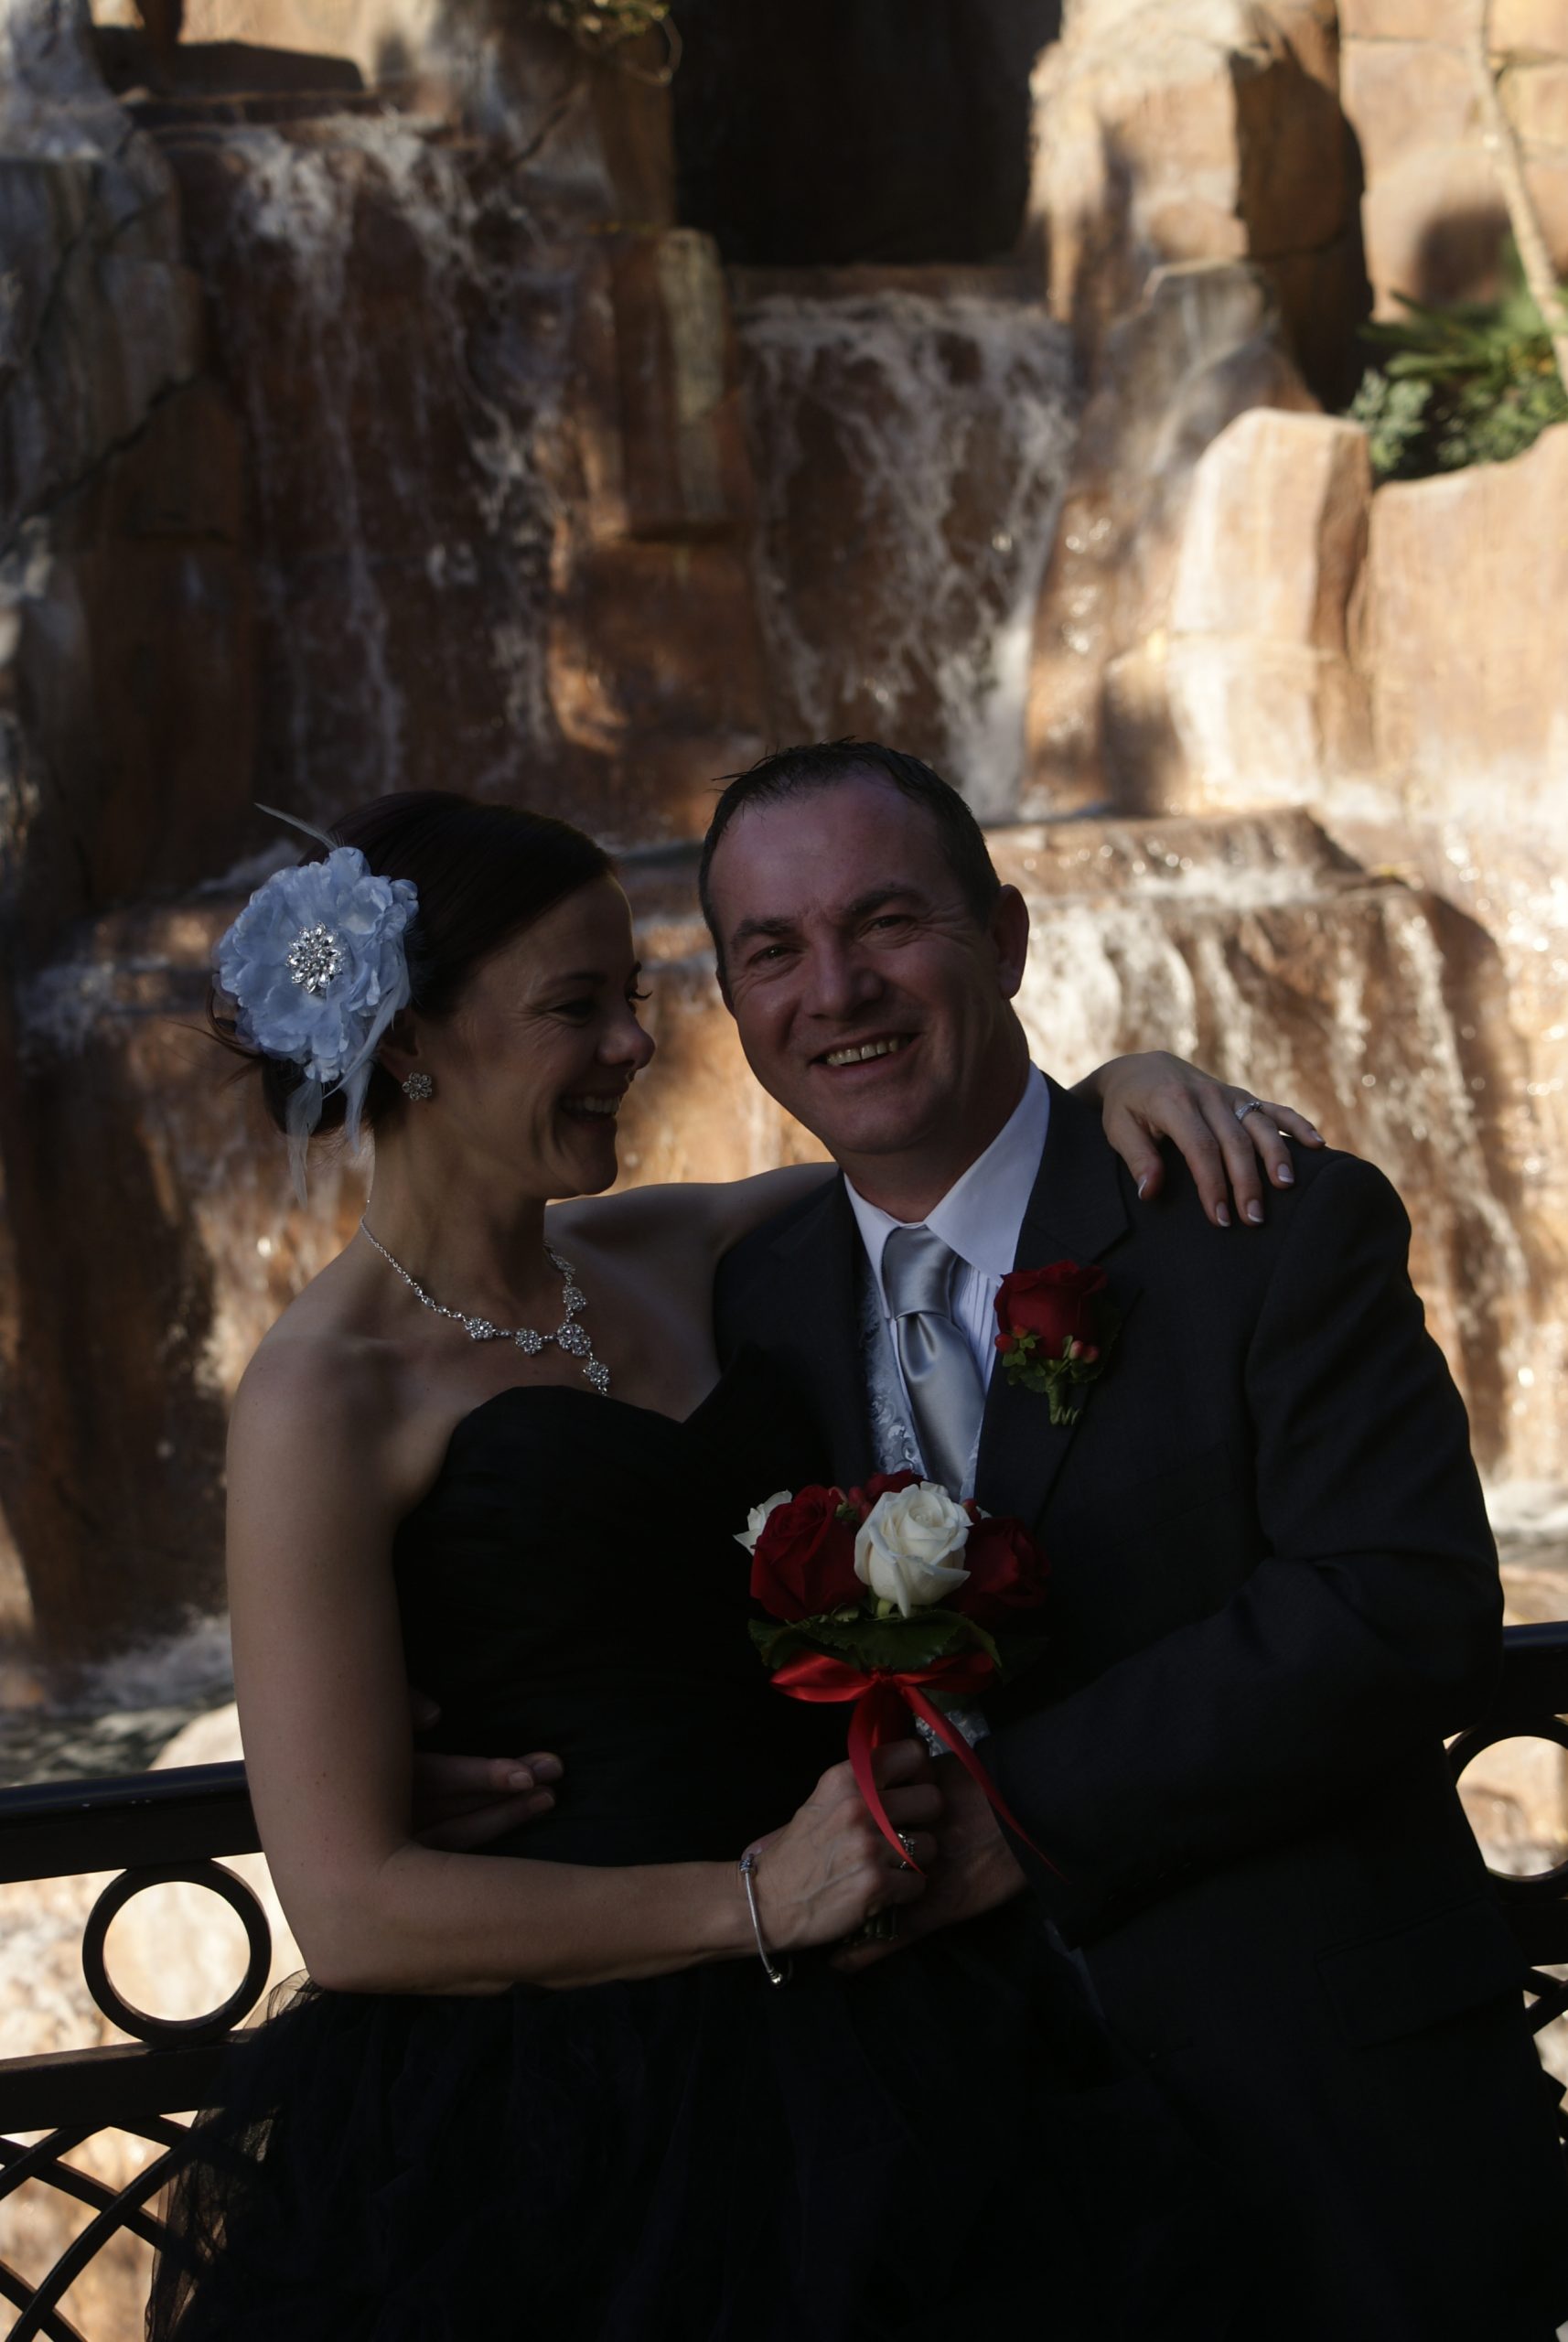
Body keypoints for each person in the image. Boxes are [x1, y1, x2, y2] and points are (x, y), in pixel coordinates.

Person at [149, 788, 1306, 2342]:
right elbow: (351, 1910)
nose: (635, 1043)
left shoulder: (670, 1247)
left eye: (630, 996)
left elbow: (969, 1160)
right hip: (571, 2107)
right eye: (576, 1008)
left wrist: (1118, 1085)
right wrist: (759, 1899)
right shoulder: (319, 1392)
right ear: (410, 1039)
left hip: (900, 2026)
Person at [701, 740, 1568, 2342]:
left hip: (1326, 2129)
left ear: (1005, 939)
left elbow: (1400, 1604)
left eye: (885, 921)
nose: (833, 989)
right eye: (772, 951)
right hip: (947, 2188)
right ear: (731, 1001)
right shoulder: (744, 1304)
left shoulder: (1262, 1219)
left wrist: (1016, 1817)